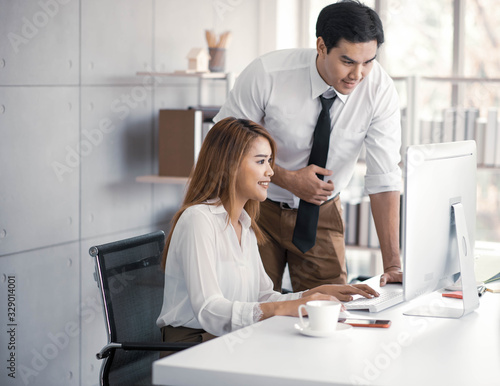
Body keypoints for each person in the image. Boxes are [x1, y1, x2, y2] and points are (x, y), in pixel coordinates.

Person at [213, 0, 403, 292]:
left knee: (331, 312)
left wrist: (392, 265)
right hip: (257, 207)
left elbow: (384, 178)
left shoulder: (379, 90)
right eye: (348, 61)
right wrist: (287, 178)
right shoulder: (268, 74)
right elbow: (222, 145)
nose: (358, 75)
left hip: (322, 212)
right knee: (250, 308)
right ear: (322, 46)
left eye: (368, 61)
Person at [156, 117, 378, 342]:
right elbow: (209, 310)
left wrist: (312, 296)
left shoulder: (245, 224)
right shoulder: (198, 220)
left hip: (231, 338)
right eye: (261, 161)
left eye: (270, 161)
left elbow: (262, 296)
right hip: (192, 344)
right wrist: (283, 308)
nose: (271, 172)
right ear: (229, 165)